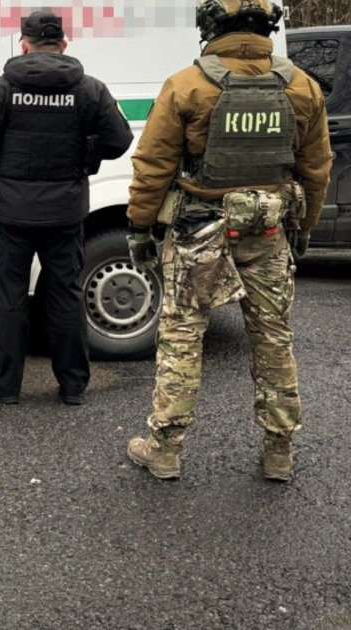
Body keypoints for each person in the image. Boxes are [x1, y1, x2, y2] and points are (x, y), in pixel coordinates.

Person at [124, 0, 332, 482]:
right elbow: (316, 167)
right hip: (269, 232)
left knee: (182, 336)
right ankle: (278, 451)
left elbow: (153, 165)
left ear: (211, 29)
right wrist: (304, 226)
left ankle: (165, 449)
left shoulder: (187, 85)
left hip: (198, 232)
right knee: (273, 339)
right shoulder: (302, 86)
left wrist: (139, 227)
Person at [0, 11, 133, 406]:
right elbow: (119, 140)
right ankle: (72, 386)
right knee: (65, 296)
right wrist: (88, 154)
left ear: (24, 45)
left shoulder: (0, 89)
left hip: (11, 213)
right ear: (64, 45)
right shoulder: (90, 90)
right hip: (65, 212)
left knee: (10, 299)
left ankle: (6, 385)